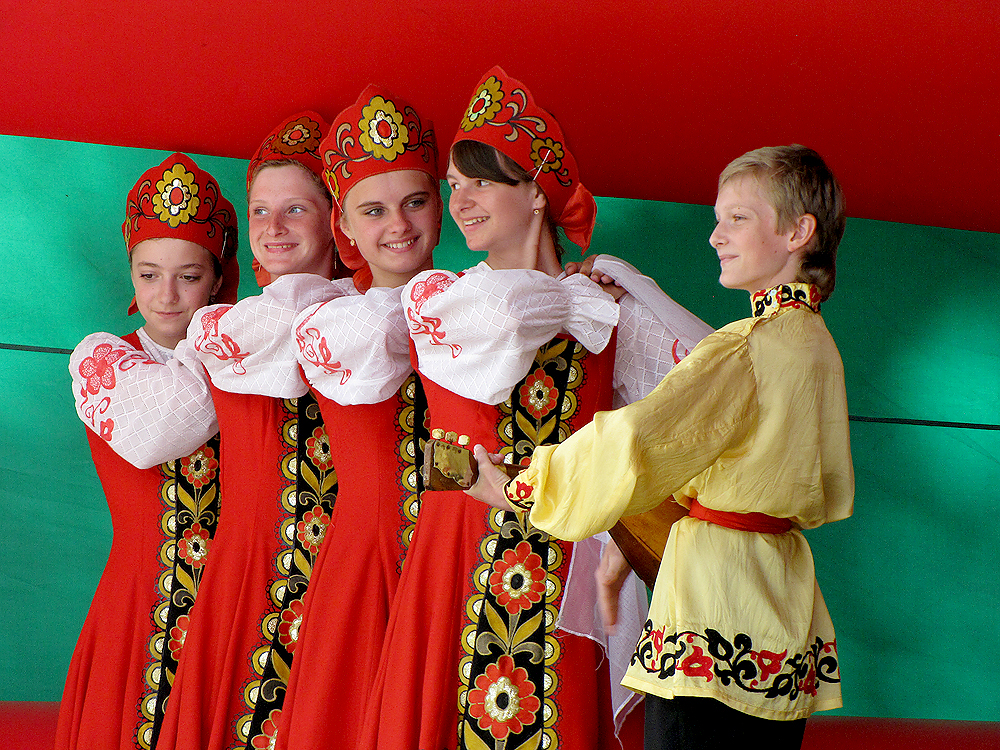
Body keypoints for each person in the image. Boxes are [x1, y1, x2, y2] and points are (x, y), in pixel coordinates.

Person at [359, 66, 713, 750]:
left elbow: (707, 384)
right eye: (453, 186)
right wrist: (580, 293)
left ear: (537, 194)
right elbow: (504, 330)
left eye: (481, 183)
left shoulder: (600, 305)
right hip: (457, 547)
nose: (461, 202)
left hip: (566, 560)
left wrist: (633, 288)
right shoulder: (442, 297)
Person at [467, 145, 854, 750]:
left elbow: (637, 441)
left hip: (713, 605)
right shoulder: (814, 343)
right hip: (781, 600)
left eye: (738, 219)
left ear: (797, 232)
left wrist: (523, 486)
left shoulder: (746, 349)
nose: (716, 237)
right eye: (719, 220)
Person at [153, 112, 347, 750]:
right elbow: (155, 432)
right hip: (244, 572)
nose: (274, 227)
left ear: (335, 218)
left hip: (343, 566)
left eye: (295, 209)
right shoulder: (224, 330)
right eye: (260, 211)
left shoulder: (382, 317)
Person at [266, 85, 441, 750]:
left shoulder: (483, 303)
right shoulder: (331, 319)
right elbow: (391, 335)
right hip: (367, 560)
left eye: (415, 201)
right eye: (373, 210)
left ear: (441, 204)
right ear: (344, 225)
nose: (398, 224)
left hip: (456, 550)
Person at [60, 153, 239, 750]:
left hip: (231, 599)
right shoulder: (101, 358)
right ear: (131, 275)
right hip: (140, 598)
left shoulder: (249, 356)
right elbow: (157, 435)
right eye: (149, 273)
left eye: (188, 276)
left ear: (217, 278)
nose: (167, 295)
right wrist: (222, 340)